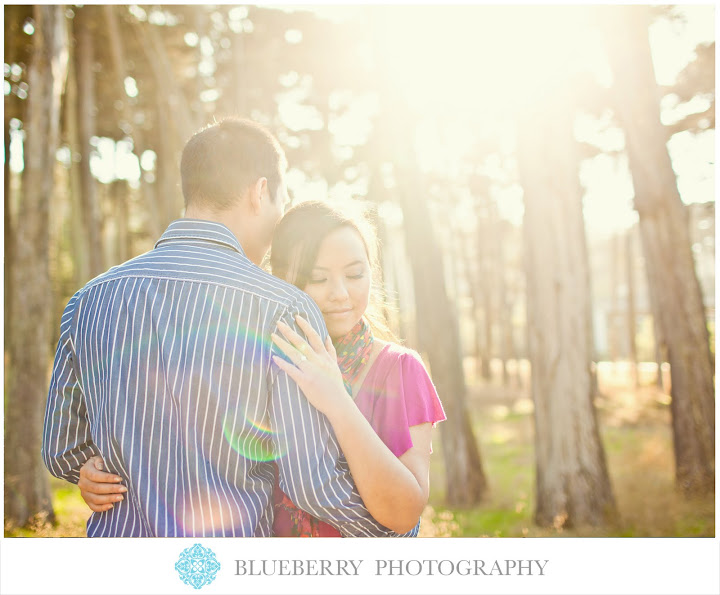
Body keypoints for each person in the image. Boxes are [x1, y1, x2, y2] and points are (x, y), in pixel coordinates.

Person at [41, 118, 404, 537]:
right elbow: (312, 482)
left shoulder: (88, 301)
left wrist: (92, 469)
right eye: (280, 203)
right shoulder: (283, 309)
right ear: (260, 192)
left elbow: (62, 449)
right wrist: (395, 534)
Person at [78, 200, 446, 537]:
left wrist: (337, 400)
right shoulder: (259, 360)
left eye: (355, 274)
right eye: (317, 278)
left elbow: (403, 514)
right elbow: (194, 453)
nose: (340, 293)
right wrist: (98, 472)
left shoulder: (401, 370)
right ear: (282, 280)